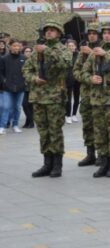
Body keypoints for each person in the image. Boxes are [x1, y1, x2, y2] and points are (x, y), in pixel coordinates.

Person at [80, 21, 110, 178]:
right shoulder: (95, 52)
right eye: (105, 33)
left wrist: (106, 55)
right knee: (100, 132)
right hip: (96, 98)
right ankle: (103, 162)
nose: (106, 35)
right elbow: (83, 72)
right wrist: (90, 78)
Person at [22, 20, 72, 178]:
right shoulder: (37, 51)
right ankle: (47, 163)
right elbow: (26, 69)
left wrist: (47, 52)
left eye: (52, 30)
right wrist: (34, 79)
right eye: (47, 30)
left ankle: (57, 165)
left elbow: (65, 64)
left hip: (55, 97)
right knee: (43, 131)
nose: (49, 32)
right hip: (38, 96)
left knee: (55, 131)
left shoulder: (62, 50)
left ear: (58, 33)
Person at [73, 23, 101, 167]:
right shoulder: (82, 52)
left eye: (94, 33)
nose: (91, 35)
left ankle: (102, 155)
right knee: (88, 125)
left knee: (101, 126)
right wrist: (87, 78)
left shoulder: (102, 49)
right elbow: (76, 71)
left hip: (102, 96)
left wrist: (91, 53)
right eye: (89, 33)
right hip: (87, 94)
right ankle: (91, 154)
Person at [0, 39, 26, 134]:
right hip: (8, 87)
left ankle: (15, 125)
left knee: (17, 107)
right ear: (10, 46)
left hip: (21, 87)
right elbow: (1, 72)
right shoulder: (4, 59)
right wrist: (4, 81)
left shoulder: (23, 58)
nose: (17, 48)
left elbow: (27, 71)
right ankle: (2, 126)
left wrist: (25, 81)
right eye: (14, 46)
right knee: (6, 107)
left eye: (18, 46)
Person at [65, 39, 80, 124]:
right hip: (68, 79)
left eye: (72, 46)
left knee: (77, 97)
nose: (71, 47)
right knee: (68, 98)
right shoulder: (65, 55)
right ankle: (68, 115)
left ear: (75, 46)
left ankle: (74, 114)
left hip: (77, 79)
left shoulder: (78, 55)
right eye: (69, 46)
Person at [21, 46, 34, 129]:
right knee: (24, 104)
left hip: (32, 86)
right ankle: (29, 120)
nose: (28, 53)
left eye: (29, 51)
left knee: (30, 105)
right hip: (23, 86)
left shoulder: (34, 61)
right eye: (26, 51)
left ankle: (30, 121)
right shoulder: (21, 60)